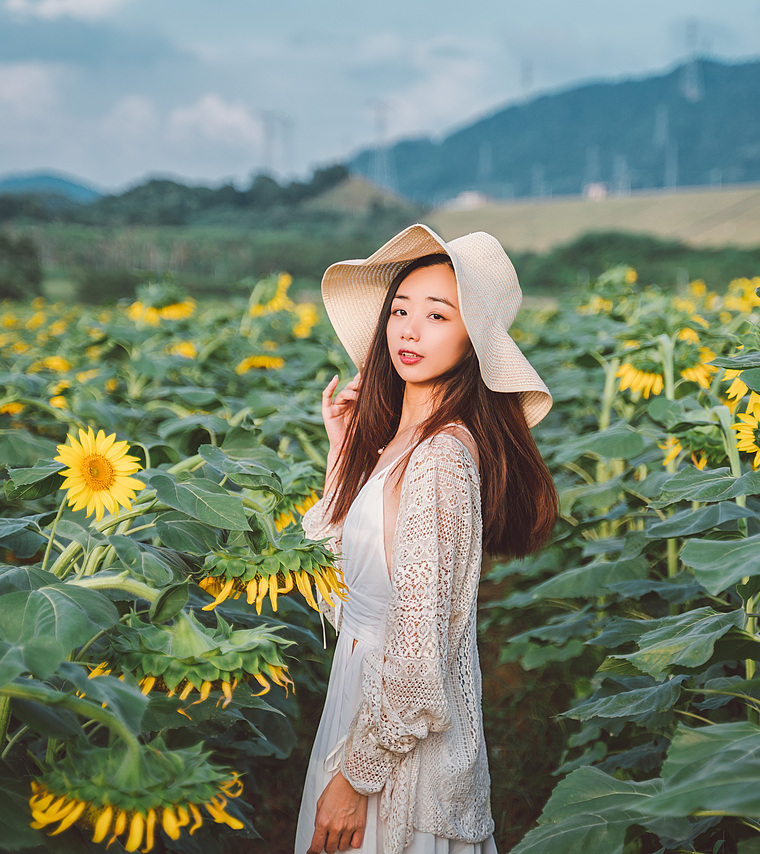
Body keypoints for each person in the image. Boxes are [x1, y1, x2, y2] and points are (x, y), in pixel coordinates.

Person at [295, 224, 558, 854]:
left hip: (399, 753)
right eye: (400, 311)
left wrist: (356, 779)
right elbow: (337, 595)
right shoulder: (398, 447)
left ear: (474, 343)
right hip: (360, 704)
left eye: (437, 315)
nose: (408, 331)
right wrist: (341, 454)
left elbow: (421, 657)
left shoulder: (442, 457)